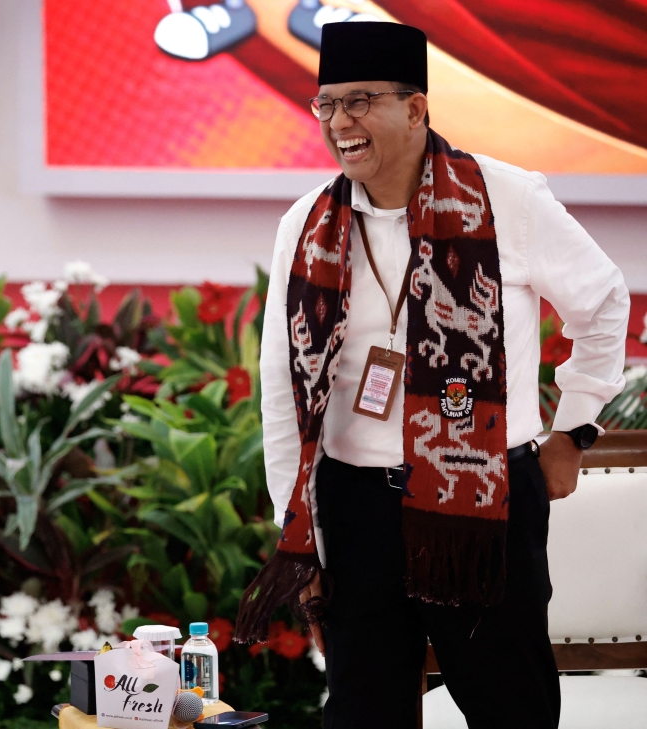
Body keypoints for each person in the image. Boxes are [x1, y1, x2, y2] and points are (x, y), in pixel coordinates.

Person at [234, 21, 630, 729]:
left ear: (416, 108)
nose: (340, 123)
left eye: (361, 101)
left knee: (511, 707)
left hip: (482, 506)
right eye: (327, 104)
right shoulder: (306, 223)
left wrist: (575, 427)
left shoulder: (507, 197)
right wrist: (296, 523)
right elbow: (279, 389)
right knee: (363, 716)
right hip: (355, 512)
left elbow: (603, 302)